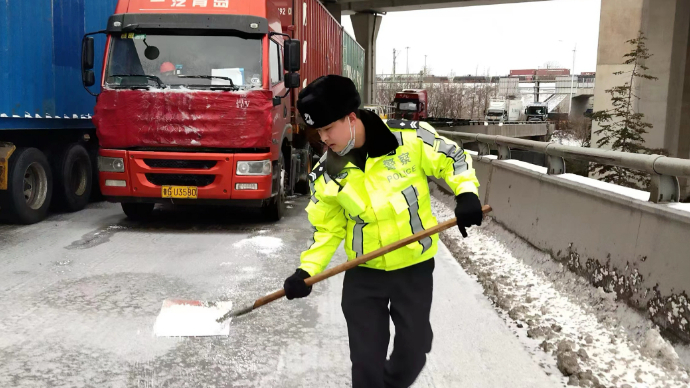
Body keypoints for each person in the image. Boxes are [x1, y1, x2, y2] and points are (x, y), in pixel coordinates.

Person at [283, 75, 483, 388]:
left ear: (351, 118)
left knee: (414, 352)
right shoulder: (328, 172)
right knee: (365, 363)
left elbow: (453, 159)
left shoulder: (409, 139)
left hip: (413, 269)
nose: (324, 139)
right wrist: (305, 271)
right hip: (364, 275)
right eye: (318, 131)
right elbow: (327, 231)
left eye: (328, 128)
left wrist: (466, 193)